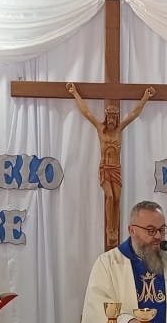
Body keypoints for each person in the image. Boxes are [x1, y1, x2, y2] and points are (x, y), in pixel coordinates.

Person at [80, 200, 167, 323]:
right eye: (151, 230)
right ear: (132, 231)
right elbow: (96, 313)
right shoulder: (108, 264)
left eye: (162, 229)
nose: (158, 236)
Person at [66, 82, 156, 247]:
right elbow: (86, 112)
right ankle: (110, 229)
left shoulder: (119, 129)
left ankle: (114, 226)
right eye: (111, 117)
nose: (113, 120)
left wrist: (145, 97)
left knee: (117, 198)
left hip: (116, 169)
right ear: (107, 118)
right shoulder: (101, 129)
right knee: (109, 196)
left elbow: (134, 114)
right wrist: (75, 93)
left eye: (115, 118)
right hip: (105, 169)